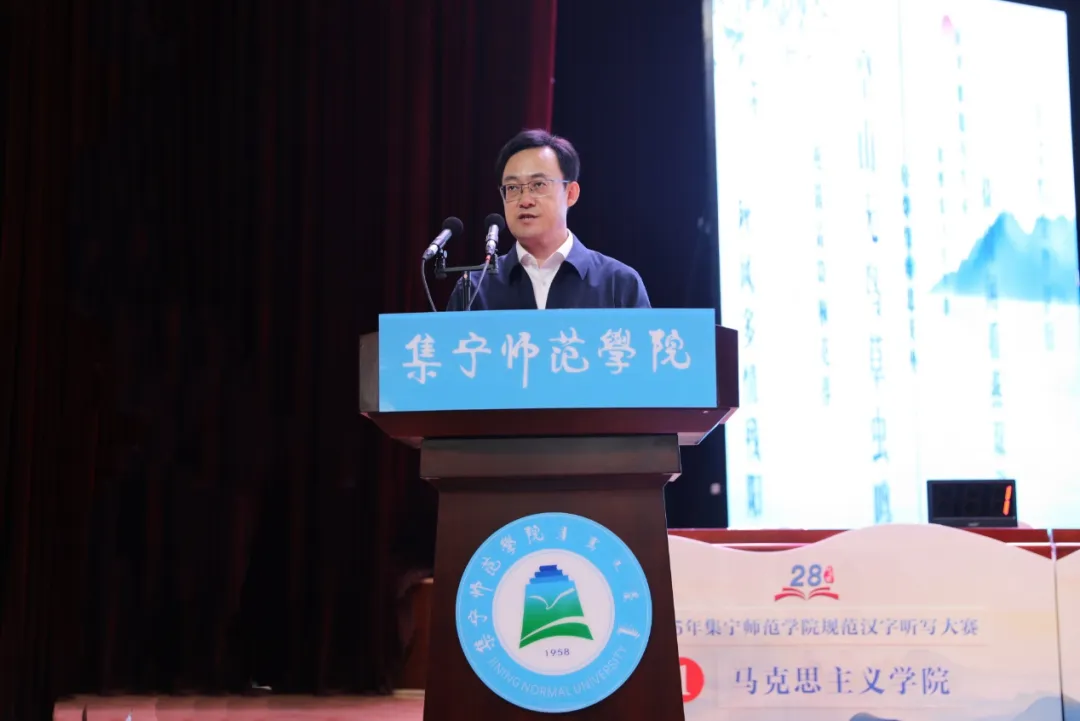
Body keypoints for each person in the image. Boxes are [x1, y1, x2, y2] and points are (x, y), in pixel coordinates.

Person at [447, 129, 651, 310]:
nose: (525, 200)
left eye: (538, 185)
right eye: (513, 188)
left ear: (571, 193)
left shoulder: (618, 283)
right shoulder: (474, 288)